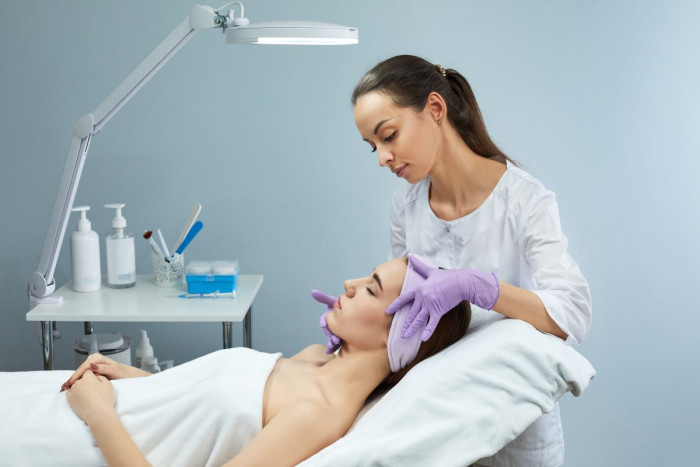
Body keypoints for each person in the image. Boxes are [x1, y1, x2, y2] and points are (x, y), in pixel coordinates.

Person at [352, 55, 592, 466]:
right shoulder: (405, 208)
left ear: (435, 109)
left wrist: (479, 288)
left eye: (388, 136)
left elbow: (572, 314)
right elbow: (405, 318)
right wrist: (359, 332)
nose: (381, 158)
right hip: (432, 430)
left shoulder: (523, 201)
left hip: (515, 436)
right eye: (372, 146)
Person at [4, 255, 469, 466]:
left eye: (371, 287)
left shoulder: (317, 415)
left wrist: (100, 414)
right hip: (81, 398)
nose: (349, 283)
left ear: (405, 335)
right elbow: (209, 413)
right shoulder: (312, 360)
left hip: (77, 438)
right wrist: (139, 380)